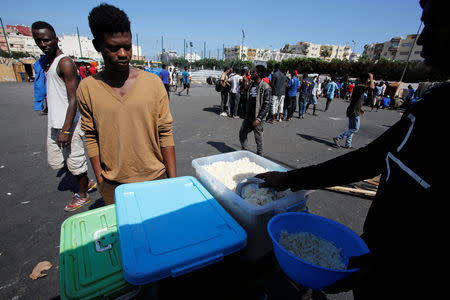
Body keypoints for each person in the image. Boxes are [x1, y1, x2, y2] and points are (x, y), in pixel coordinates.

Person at [257, 1, 446, 298]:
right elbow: (369, 159)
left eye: (433, 24)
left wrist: (383, 263)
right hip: (372, 260)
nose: (422, 39)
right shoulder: (433, 105)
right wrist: (290, 180)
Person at [77, 4, 176, 205]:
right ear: (97, 45)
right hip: (114, 186)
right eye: (113, 48)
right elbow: (90, 136)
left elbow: (165, 132)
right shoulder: (87, 88)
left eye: (128, 46)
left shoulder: (153, 83)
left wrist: (172, 182)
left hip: (156, 179)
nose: (123, 53)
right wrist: (100, 178)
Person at [31, 21, 95, 212]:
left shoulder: (65, 63)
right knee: (58, 162)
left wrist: (67, 130)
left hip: (70, 123)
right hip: (55, 122)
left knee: (75, 161)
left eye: (46, 40)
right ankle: (86, 182)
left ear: (56, 40)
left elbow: (74, 98)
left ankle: (82, 195)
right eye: (39, 41)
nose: (43, 44)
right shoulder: (47, 63)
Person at [334, 73, 374, 149]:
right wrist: (371, 78)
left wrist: (360, 108)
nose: (369, 81)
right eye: (368, 80)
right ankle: (338, 137)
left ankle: (348, 144)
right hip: (354, 110)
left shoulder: (357, 87)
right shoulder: (361, 87)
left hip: (353, 109)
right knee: (355, 128)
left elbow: (354, 99)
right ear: (366, 80)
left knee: (351, 129)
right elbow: (372, 88)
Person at [239, 65, 271, 157]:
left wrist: (259, 118)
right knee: (242, 133)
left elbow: (267, 104)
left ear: (259, 74)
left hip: (257, 117)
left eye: (254, 72)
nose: (251, 73)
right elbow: (247, 98)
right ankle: (244, 151)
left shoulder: (265, 87)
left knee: (258, 138)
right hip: (248, 116)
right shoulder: (251, 85)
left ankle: (260, 156)